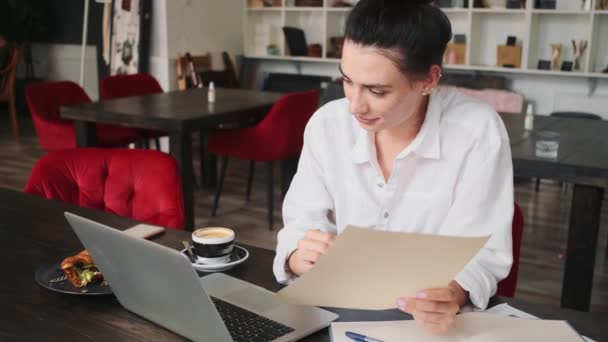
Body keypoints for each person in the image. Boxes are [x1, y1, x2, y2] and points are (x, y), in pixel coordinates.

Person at [273, 0, 514, 335]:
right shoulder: (328, 124)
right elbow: (302, 219)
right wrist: (299, 254)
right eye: (347, 81)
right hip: (336, 315)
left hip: (424, 327)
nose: (355, 105)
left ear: (429, 79)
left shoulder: (476, 132)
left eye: (377, 90)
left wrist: (453, 293)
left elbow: (483, 249)